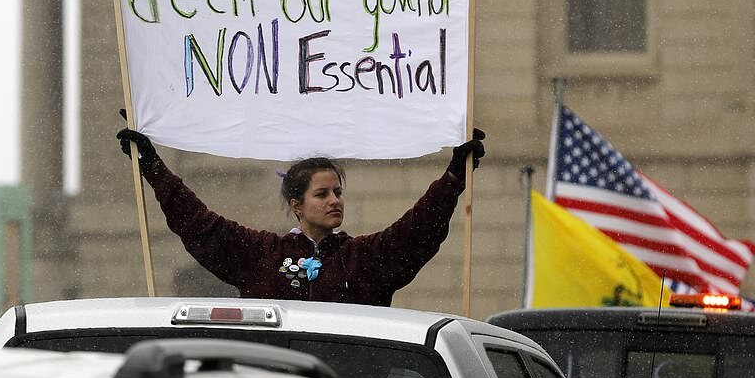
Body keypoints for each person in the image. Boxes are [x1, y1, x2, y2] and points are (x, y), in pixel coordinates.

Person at [116, 120, 485, 306]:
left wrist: (453, 178)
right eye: (321, 194)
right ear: (297, 206)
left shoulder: (364, 258)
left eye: (338, 192)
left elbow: (415, 233)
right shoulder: (261, 255)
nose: (334, 201)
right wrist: (151, 166)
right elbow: (200, 224)